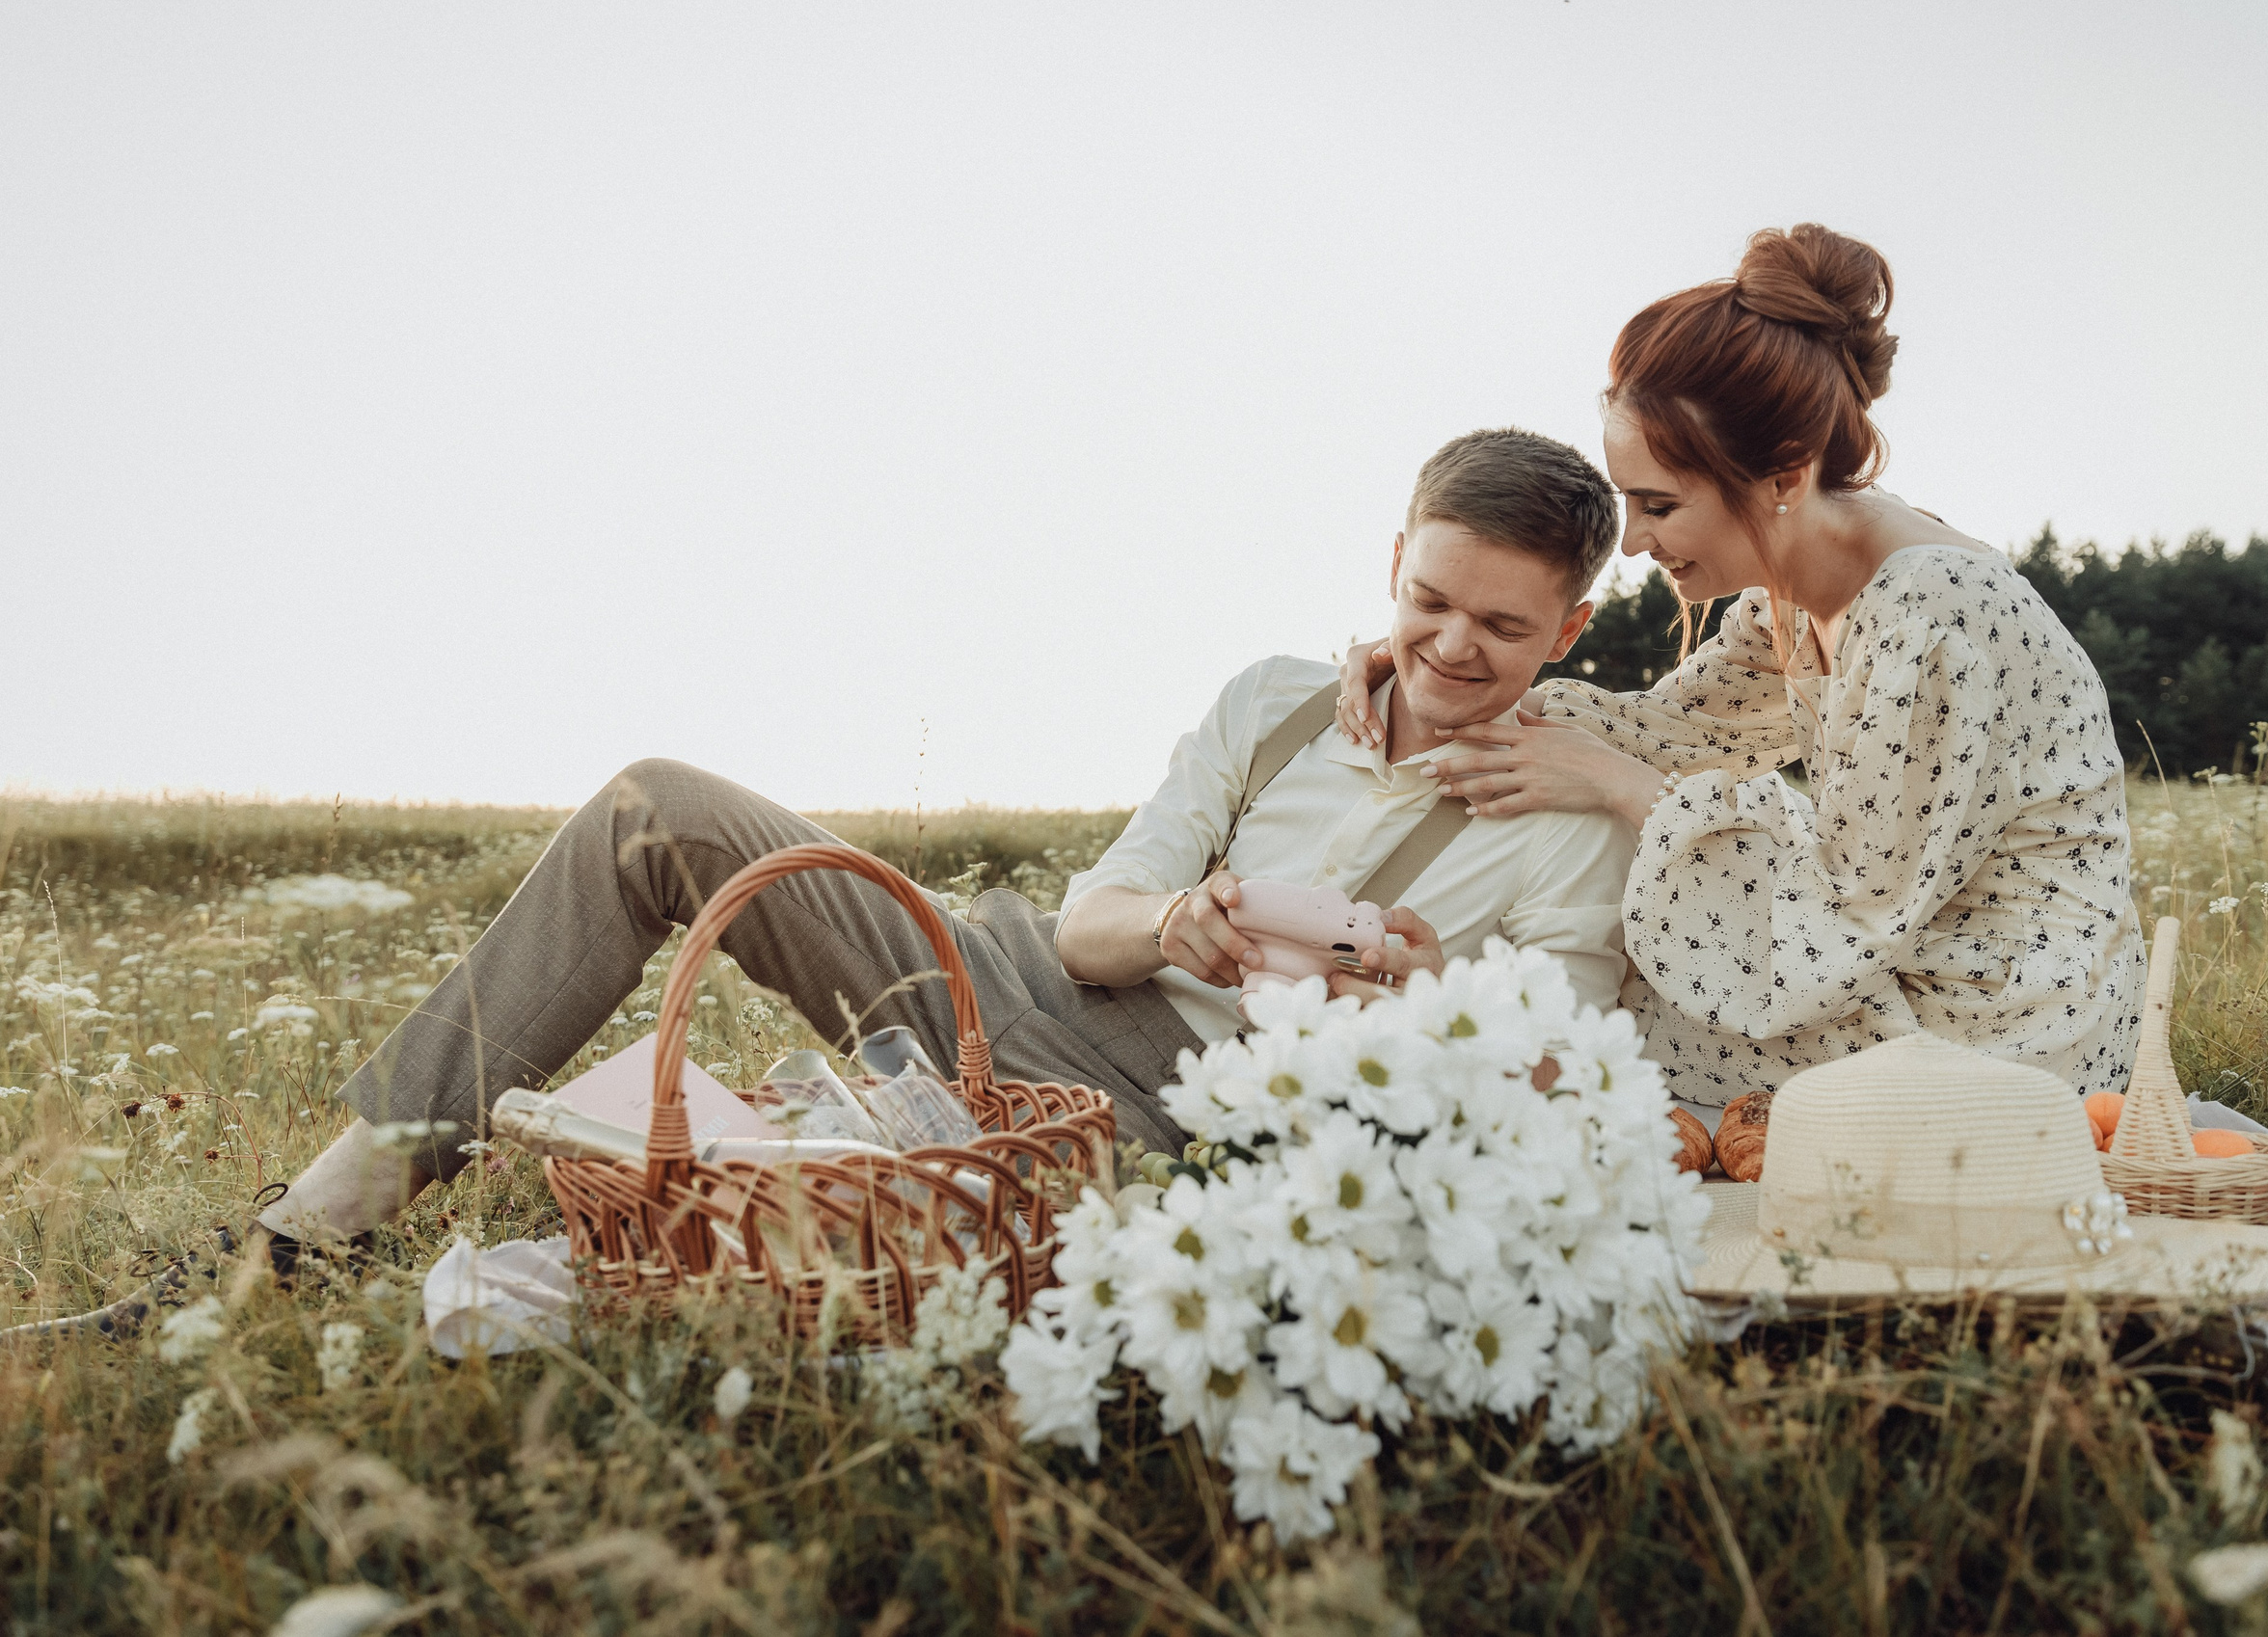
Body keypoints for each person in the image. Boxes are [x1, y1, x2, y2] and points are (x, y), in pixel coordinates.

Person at [253, 426, 1640, 1257]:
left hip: (1155, 1112)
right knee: (656, 801)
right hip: (1026, 976)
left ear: (1569, 630)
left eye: (1505, 628)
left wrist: (1394, 1004)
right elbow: (1103, 916)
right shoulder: (1279, 698)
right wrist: (1174, 924)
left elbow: (1529, 1072)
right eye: (1430, 598)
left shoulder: (1561, 820)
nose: (1454, 645)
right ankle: (313, 1223)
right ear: (1395, 555)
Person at [1336, 225, 2144, 1128]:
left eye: (1660, 506)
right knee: (1601, 983)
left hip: (2001, 1014)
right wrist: (1432, 664)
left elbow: (1853, 904)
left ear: (1783, 477)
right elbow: (1670, 730)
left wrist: (1614, 783)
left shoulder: (1930, 623)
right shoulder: (1795, 592)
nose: (1634, 544)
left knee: (1604, 1033)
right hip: (1900, 951)